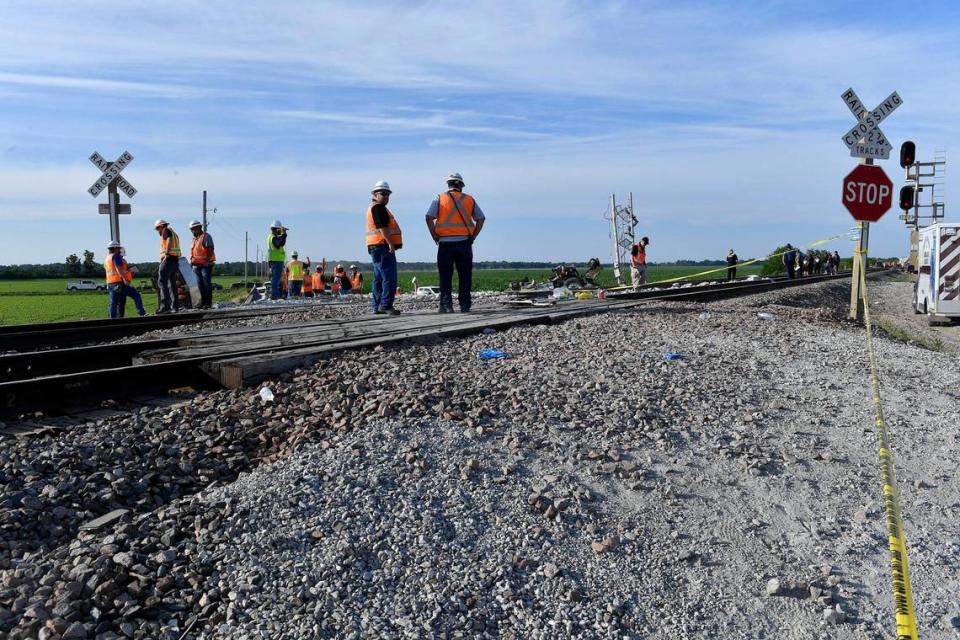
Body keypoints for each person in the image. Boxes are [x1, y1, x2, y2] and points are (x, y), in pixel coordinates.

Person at [425, 172, 485, 313]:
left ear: (448, 184)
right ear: (461, 186)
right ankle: (465, 305)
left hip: (445, 244)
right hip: (464, 243)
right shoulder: (469, 199)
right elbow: (481, 218)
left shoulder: (440, 198)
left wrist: (434, 235)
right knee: (465, 276)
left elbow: (429, 217)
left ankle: (447, 306)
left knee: (445, 276)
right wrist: (473, 235)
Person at [366, 180, 402, 315]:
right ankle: (386, 305)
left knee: (378, 278)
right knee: (389, 277)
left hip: (374, 246)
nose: (386, 197)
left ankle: (377, 306)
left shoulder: (372, 207)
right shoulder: (378, 208)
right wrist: (390, 243)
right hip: (382, 246)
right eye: (383, 194)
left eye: (388, 194)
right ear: (375, 194)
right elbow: (383, 227)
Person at [104, 241, 146, 318]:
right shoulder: (115, 256)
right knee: (136, 295)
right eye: (118, 248)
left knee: (113, 303)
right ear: (115, 248)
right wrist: (125, 279)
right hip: (119, 283)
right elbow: (118, 270)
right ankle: (142, 313)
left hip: (110, 283)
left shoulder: (107, 258)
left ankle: (112, 320)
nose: (119, 250)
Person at [154, 219, 181, 314]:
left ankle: (165, 306)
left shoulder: (166, 230)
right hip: (174, 260)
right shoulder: (174, 232)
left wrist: (166, 253)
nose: (158, 231)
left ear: (160, 226)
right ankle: (175, 307)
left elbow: (168, 240)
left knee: (162, 282)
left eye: (158, 229)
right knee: (172, 284)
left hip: (168, 260)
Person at [188, 220, 216, 308]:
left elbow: (210, 248)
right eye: (191, 229)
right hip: (196, 266)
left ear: (199, 228)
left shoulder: (206, 236)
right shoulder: (194, 240)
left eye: (193, 229)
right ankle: (203, 303)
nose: (192, 231)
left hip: (205, 266)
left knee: (206, 284)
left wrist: (207, 261)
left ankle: (208, 303)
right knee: (200, 285)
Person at [267, 220, 288, 300]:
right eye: (279, 229)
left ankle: (275, 295)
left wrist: (284, 234)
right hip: (276, 260)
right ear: (275, 229)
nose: (280, 231)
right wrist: (283, 234)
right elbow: (278, 244)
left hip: (275, 260)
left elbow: (281, 243)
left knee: (276, 278)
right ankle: (274, 295)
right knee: (276, 278)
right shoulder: (273, 238)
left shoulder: (272, 237)